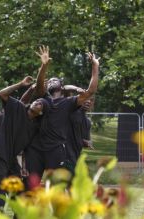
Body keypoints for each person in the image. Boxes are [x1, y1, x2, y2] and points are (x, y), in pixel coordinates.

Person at [24, 45, 100, 180]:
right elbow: (40, 85)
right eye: (50, 80)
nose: (52, 80)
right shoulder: (44, 99)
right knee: (30, 185)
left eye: (56, 80)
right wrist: (44, 65)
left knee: (57, 188)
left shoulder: (69, 103)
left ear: (61, 86)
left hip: (56, 150)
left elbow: (90, 91)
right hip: (37, 149)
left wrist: (95, 66)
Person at [0, 75, 48, 209]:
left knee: (12, 187)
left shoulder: (26, 123)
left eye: (41, 104)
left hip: (9, 158)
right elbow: (4, 95)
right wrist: (22, 83)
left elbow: (22, 102)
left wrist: (32, 88)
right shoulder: (2, 120)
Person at [65, 95, 94, 174]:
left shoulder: (87, 122)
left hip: (76, 155)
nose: (88, 101)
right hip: (64, 154)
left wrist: (88, 142)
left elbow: (85, 140)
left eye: (91, 100)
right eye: (86, 99)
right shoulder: (70, 112)